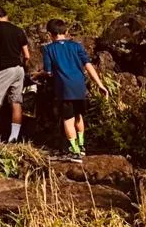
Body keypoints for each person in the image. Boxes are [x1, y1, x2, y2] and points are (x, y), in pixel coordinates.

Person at [40, 19, 108, 162]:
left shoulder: (48, 49)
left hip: (64, 89)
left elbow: (48, 71)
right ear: (66, 32)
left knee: (68, 119)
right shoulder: (76, 46)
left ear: (50, 34)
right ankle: (81, 146)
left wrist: (38, 74)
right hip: (79, 86)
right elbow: (88, 65)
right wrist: (100, 84)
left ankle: (75, 151)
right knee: (78, 116)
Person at [0, 6, 31, 143]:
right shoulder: (18, 30)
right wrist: (24, 67)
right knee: (16, 102)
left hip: (3, 69)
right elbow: (27, 55)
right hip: (19, 69)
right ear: (6, 15)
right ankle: (14, 137)